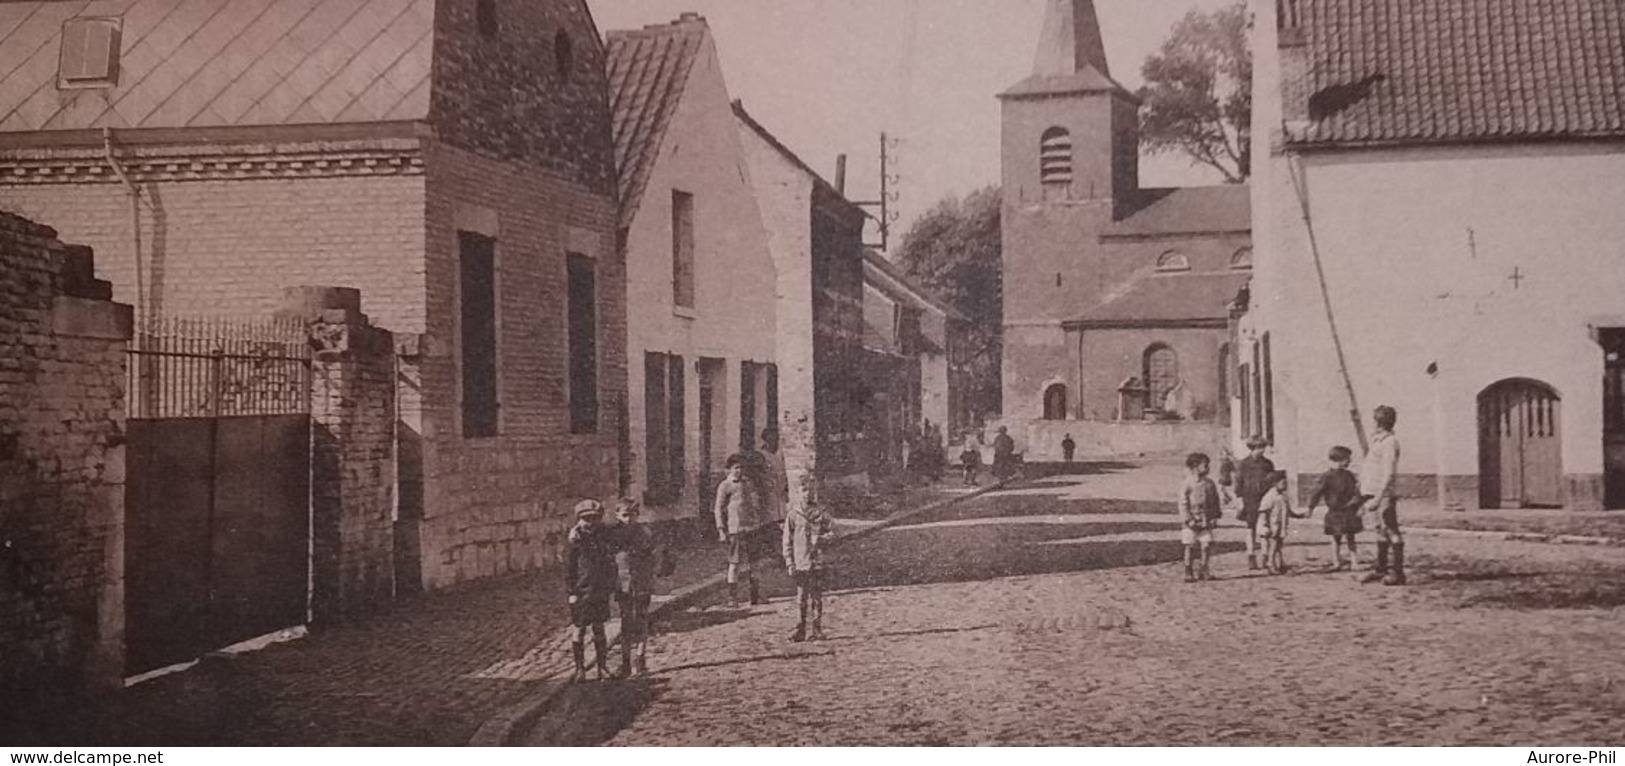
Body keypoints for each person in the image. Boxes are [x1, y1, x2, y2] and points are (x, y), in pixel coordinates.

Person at [565, 499, 617, 683]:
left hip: (599, 590)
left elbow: (610, 561)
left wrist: (611, 584)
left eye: (594, 518)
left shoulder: (603, 536)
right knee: (579, 630)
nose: (590, 523)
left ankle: (602, 666)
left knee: (599, 629)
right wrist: (571, 592)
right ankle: (580, 669)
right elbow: (569, 569)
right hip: (581, 590)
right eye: (586, 519)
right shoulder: (575, 541)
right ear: (579, 519)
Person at [611, 499, 662, 678]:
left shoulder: (644, 533)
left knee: (641, 618)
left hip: (641, 582)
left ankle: (640, 658)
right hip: (623, 583)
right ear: (617, 515)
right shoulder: (613, 535)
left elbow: (654, 557)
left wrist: (651, 576)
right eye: (624, 515)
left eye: (632, 515)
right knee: (626, 621)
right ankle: (625, 662)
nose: (628, 519)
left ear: (637, 515)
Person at [782, 471, 834, 642]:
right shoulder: (793, 515)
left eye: (811, 490)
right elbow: (787, 541)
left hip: (817, 560)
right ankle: (800, 628)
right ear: (798, 492)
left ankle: (817, 628)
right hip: (801, 561)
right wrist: (789, 562)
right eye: (804, 490)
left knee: (817, 596)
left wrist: (823, 538)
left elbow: (833, 533)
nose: (808, 494)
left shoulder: (822, 513)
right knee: (801, 596)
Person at [1360, 406, 1406, 586]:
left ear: (1380, 422)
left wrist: (1379, 497)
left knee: (1391, 530)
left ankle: (1398, 572)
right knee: (1379, 530)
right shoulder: (1378, 441)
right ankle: (1380, 569)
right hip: (1371, 492)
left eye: (1375, 420)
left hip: (1382, 494)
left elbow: (1388, 474)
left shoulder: (1390, 442)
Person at [713, 454, 762, 606]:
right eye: (736, 468)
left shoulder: (748, 483)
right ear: (729, 470)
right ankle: (732, 597)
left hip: (752, 527)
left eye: (741, 467)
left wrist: (757, 519)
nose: (739, 471)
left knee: (755, 562)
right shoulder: (725, 486)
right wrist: (721, 529)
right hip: (735, 529)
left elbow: (755, 504)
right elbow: (718, 509)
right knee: (734, 563)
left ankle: (756, 595)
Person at [1308, 446, 1364, 571]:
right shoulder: (1327, 476)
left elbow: (1356, 492)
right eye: (1347, 459)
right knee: (1335, 537)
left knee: (1351, 536)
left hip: (1349, 509)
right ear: (1339, 460)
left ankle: (1354, 562)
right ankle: (1336, 561)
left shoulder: (1349, 475)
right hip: (1335, 511)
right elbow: (1317, 493)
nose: (1349, 461)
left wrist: (1360, 505)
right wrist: (1311, 507)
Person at [1177, 452, 1221, 582]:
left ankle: (1204, 569)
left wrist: (1215, 516)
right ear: (1195, 467)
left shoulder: (1209, 483)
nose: (1208, 469)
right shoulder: (1187, 483)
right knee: (1189, 545)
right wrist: (1188, 519)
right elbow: (1183, 502)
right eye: (1205, 466)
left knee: (1206, 544)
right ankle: (1188, 570)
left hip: (1205, 520)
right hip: (1191, 520)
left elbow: (1215, 501)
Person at [1235, 435, 1276, 571]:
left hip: (1264, 498)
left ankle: (1265, 556)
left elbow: (1272, 481)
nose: (1262, 451)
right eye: (1259, 448)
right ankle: (1251, 556)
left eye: (1263, 448)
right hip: (1249, 498)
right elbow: (1238, 483)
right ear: (1252, 448)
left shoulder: (1268, 464)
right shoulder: (1243, 464)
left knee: (1264, 529)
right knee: (1250, 528)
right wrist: (1240, 499)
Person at [1256, 471, 1304, 574]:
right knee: (1273, 546)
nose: (1285, 484)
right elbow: (1263, 512)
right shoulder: (1269, 496)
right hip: (1273, 526)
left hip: (1280, 526)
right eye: (1283, 482)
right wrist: (1265, 526)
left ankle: (1280, 564)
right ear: (1274, 483)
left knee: (1278, 546)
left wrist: (1299, 515)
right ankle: (1271, 564)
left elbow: (1288, 511)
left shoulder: (1283, 496)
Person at [758, 427, 790, 563]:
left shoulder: (777, 457)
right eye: (772, 439)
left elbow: (783, 476)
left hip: (779, 495)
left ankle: (776, 550)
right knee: (768, 523)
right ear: (766, 440)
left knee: (778, 522)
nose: (775, 442)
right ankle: (769, 550)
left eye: (776, 440)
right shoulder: (761, 456)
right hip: (768, 495)